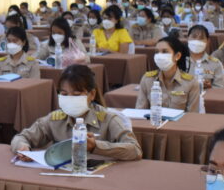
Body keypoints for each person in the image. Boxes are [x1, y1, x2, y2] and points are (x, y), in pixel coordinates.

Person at [11, 64, 141, 161]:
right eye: (64, 94)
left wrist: (96, 146)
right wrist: (23, 147)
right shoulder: (55, 119)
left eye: (76, 94)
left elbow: (135, 150)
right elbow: (21, 137)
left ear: (92, 94)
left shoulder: (108, 119)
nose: (70, 98)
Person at [134, 36, 201, 113]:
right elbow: (140, 112)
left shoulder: (191, 83)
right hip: (154, 120)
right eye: (157, 52)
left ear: (177, 56)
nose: (159, 56)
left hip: (181, 121)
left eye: (165, 52)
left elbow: (192, 115)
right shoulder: (147, 79)